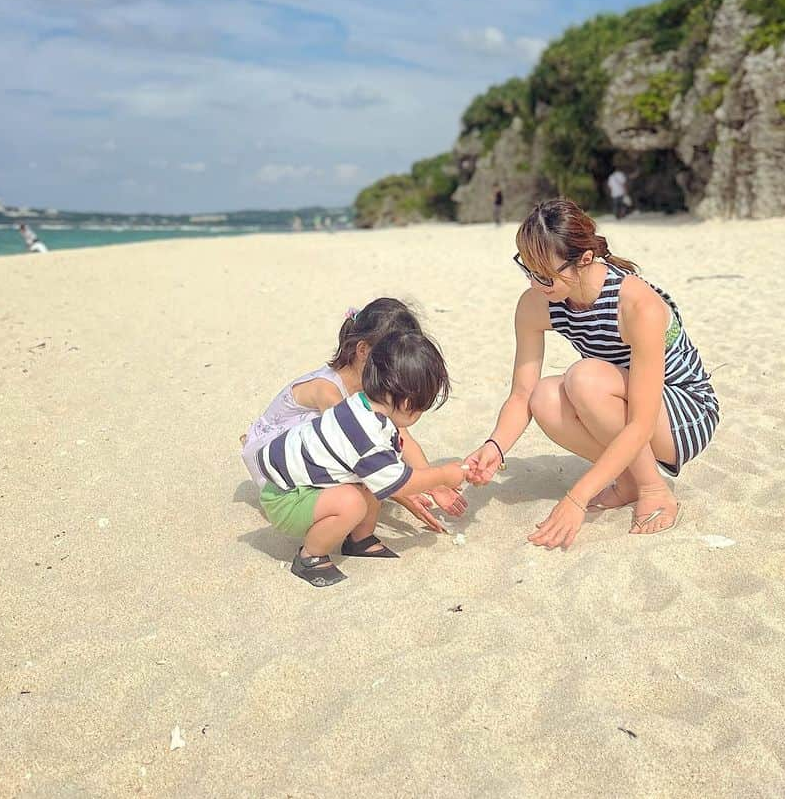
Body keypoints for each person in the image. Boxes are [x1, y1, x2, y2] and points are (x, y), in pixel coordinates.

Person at [465, 197, 718, 548]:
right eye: (527, 269)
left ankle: (653, 489)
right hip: (622, 399)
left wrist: (577, 497)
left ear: (584, 260)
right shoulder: (537, 303)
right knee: (544, 397)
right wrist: (495, 445)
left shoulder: (636, 305)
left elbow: (642, 422)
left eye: (546, 274)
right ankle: (630, 480)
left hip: (683, 412)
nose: (537, 284)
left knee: (583, 379)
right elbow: (522, 393)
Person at [256, 326, 474, 585]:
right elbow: (401, 483)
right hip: (284, 497)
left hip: (298, 482)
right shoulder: (365, 434)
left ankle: (360, 539)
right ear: (407, 404)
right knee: (353, 502)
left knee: (368, 484)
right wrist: (443, 475)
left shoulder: (362, 404)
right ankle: (310, 557)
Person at [241, 298, 467, 536]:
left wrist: (435, 485)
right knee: (360, 483)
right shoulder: (327, 391)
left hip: (308, 450)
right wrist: (405, 493)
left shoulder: (377, 388)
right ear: (363, 350)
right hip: (275, 467)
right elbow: (358, 453)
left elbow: (401, 434)